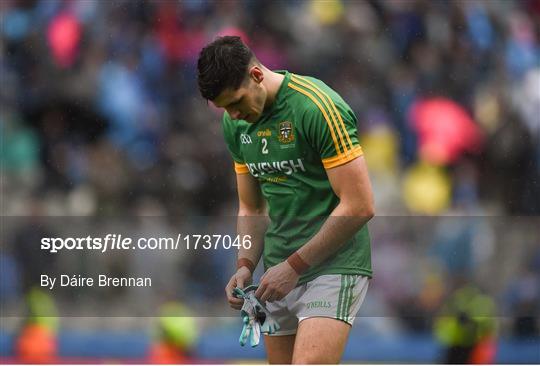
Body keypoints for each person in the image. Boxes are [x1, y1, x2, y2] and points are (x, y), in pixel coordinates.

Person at [197, 36, 374, 364]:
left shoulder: (317, 106)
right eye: (224, 108)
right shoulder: (235, 126)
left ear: (257, 75)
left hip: (332, 265)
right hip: (275, 274)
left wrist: (293, 267)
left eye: (236, 102)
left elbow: (360, 204)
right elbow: (252, 206)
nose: (233, 115)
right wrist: (245, 265)